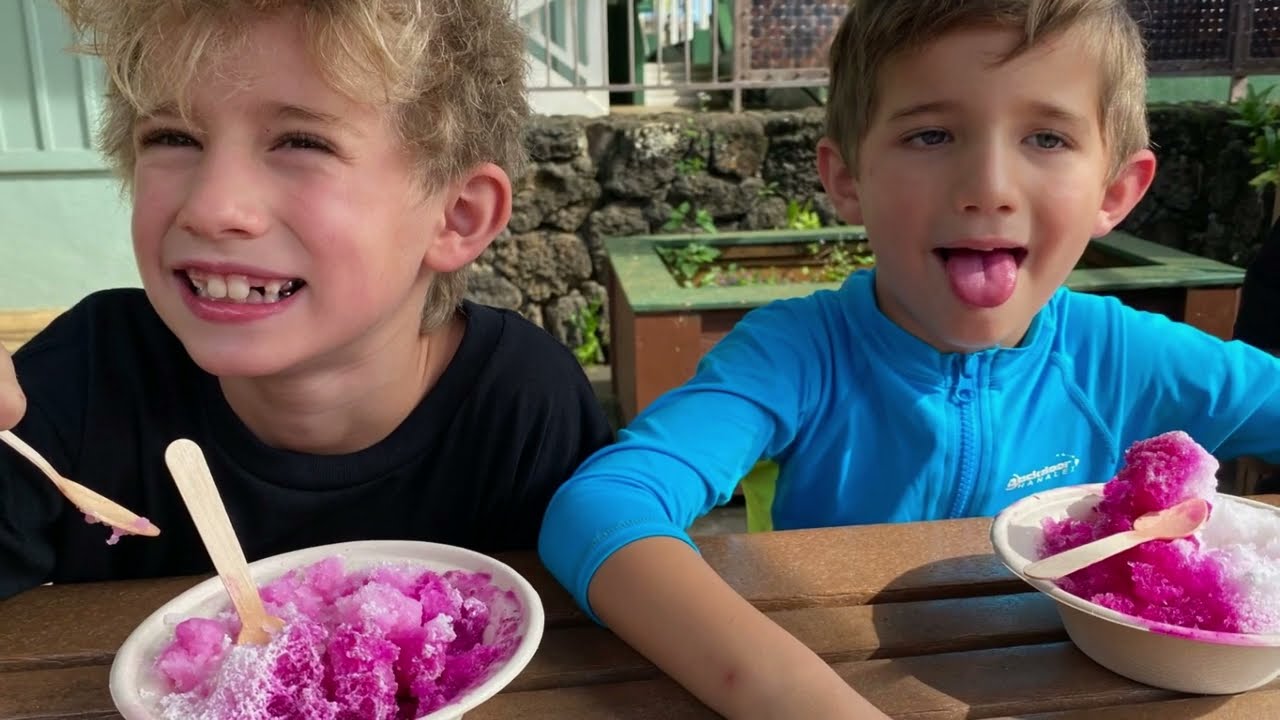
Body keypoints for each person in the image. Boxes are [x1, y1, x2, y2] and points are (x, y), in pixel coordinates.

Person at [538, 0, 1280, 717]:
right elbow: (602, 506)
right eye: (931, 135)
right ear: (846, 178)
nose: (987, 188)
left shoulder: (1128, 354)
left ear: (1115, 190)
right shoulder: (797, 353)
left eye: (1047, 139)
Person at [0, 0, 613, 601]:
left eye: (301, 143)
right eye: (173, 136)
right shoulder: (86, 378)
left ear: (456, 216)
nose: (213, 209)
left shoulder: (522, 410)